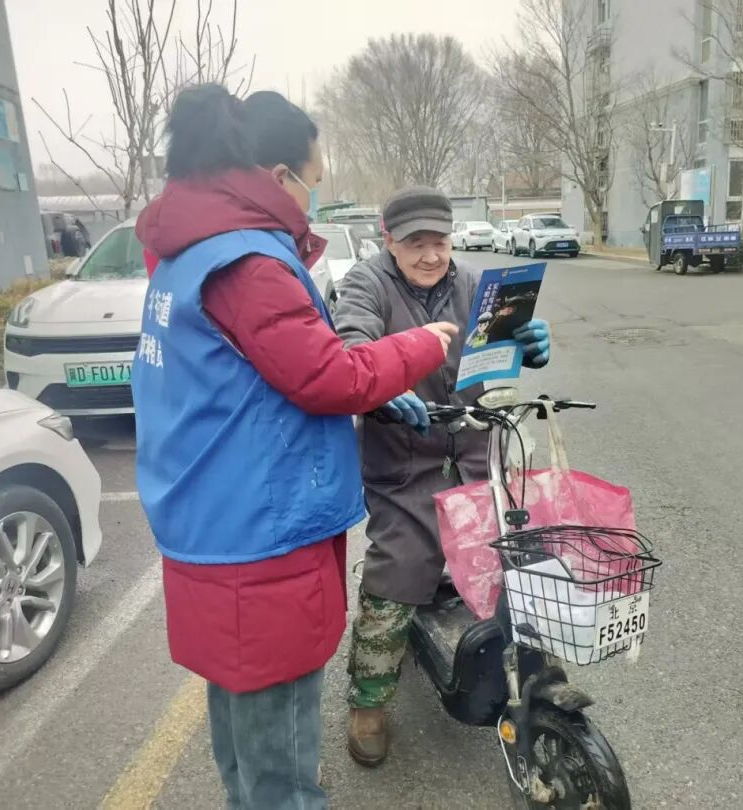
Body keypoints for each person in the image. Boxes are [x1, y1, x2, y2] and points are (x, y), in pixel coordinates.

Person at [131, 86, 458, 808]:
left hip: (214, 517)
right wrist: (417, 348)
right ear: (279, 177)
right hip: (261, 532)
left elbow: (265, 371)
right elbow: (326, 374)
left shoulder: (187, 254)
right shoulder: (248, 265)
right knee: (279, 743)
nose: (314, 198)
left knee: (242, 715)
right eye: (314, 180)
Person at [332, 186, 552, 766]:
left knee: (504, 557)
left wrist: (528, 345)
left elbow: (498, 347)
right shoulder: (366, 283)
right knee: (401, 564)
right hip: (403, 454)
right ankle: (369, 698)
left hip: (475, 445)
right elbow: (351, 343)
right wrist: (382, 385)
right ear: (389, 240)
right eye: (416, 244)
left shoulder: (476, 284)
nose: (431, 256)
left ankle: (512, 671)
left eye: (440, 242)